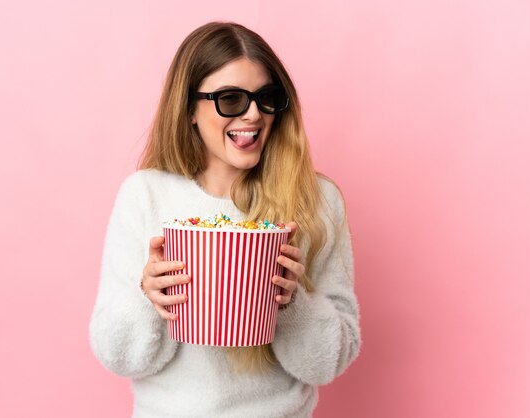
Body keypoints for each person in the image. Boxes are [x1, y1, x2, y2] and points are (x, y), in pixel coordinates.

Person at [89, 21, 361, 418]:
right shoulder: (146, 195)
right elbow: (120, 358)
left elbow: (329, 363)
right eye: (230, 99)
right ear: (190, 110)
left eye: (266, 97)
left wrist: (291, 303)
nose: (253, 114)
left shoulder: (317, 202)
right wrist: (149, 298)